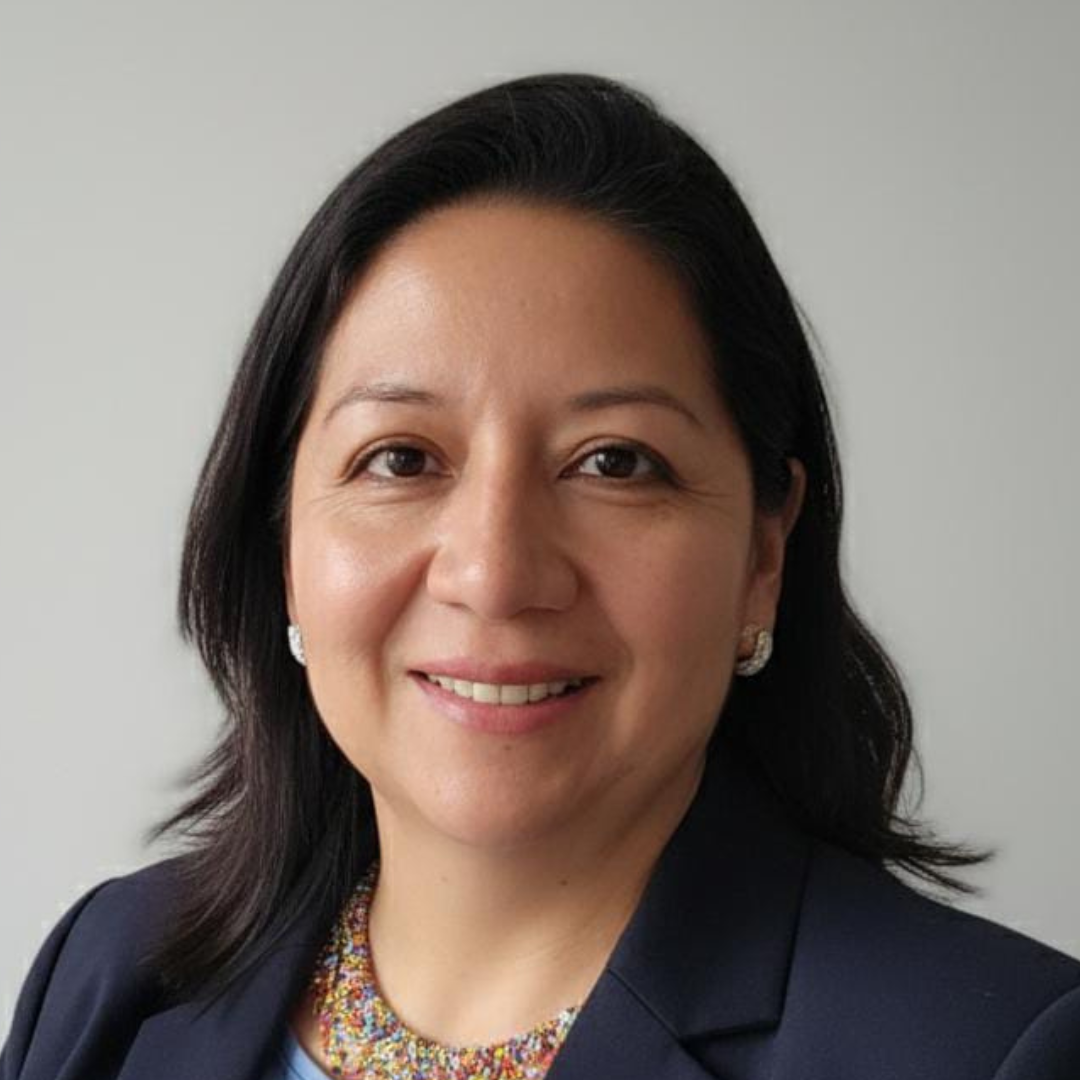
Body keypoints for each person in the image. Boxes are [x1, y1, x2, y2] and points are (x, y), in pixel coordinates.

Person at [3, 71, 1078, 1080]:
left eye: (616, 464)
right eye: (401, 460)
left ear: (764, 555)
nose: (494, 572)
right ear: (283, 543)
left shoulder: (988, 1050)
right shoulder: (110, 975)